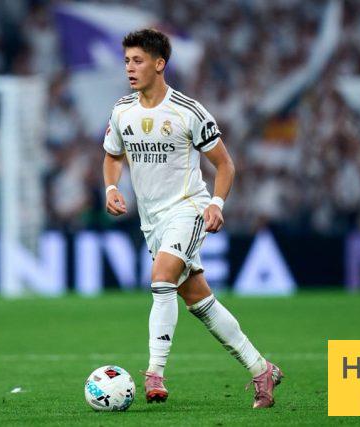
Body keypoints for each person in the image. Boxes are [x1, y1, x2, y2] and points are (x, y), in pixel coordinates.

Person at [102, 28, 283, 408]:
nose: (129, 68)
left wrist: (216, 203)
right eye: (127, 61)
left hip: (188, 207)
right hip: (152, 220)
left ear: (159, 64)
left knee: (161, 277)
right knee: (200, 302)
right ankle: (261, 369)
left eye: (137, 61)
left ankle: (154, 373)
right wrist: (111, 187)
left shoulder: (188, 111)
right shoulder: (122, 110)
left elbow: (225, 164)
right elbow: (113, 155)